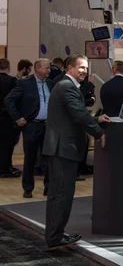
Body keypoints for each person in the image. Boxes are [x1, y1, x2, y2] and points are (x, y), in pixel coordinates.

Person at [41, 54, 110, 250]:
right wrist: (97, 132)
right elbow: (78, 114)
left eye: (86, 68)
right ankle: (55, 237)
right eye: (80, 67)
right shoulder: (66, 86)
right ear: (69, 68)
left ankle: (55, 234)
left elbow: (73, 115)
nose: (84, 71)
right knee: (61, 195)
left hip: (62, 149)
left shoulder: (65, 86)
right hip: (64, 149)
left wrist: (96, 120)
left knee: (58, 194)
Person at [5, 59, 54, 197]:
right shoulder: (24, 83)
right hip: (31, 125)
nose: (49, 70)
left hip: (48, 125)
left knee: (48, 158)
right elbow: (9, 100)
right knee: (30, 159)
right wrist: (17, 117)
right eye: (47, 68)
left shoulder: (51, 84)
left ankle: (48, 187)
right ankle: (28, 188)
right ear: (37, 68)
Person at [0, 58, 19, 178]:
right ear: (8, 67)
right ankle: (5, 168)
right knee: (7, 145)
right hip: (7, 117)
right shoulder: (12, 81)